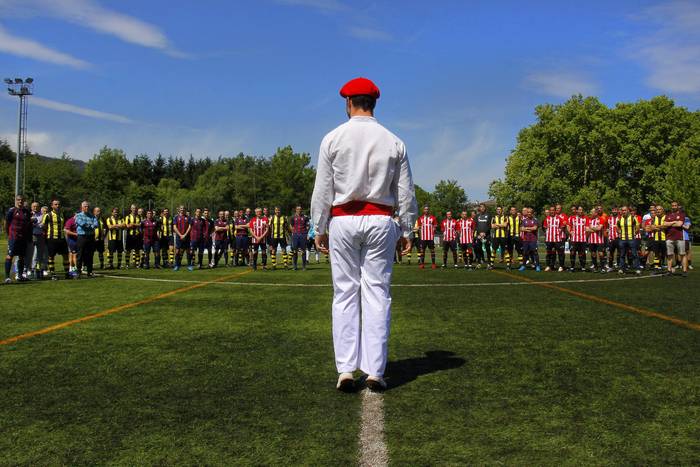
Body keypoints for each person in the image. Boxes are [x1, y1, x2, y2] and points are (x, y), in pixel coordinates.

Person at [311, 77, 417, 392]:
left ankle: (345, 370)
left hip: (343, 219)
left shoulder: (332, 138)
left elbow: (323, 188)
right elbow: (405, 191)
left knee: (344, 293)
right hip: (381, 219)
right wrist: (408, 226)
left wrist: (319, 226)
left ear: (348, 103)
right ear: (374, 103)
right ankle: (374, 371)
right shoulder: (394, 141)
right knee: (377, 294)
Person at [4, 194, 32, 283]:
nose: (20, 202)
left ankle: (20, 276)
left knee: (21, 257)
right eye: (19, 200)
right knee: (10, 256)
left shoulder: (26, 211)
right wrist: (9, 234)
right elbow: (6, 223)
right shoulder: (12, 211)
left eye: (22, 200)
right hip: (13, 237)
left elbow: (28, 224)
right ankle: (7, 277)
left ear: (24, 201)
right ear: (16, 200)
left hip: (23, 238)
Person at [44, 199, 70, 280]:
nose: (57, 206)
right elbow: (44, 227)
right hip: (52, 239)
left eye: (58, 204)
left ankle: (67, 273)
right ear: (52, 206)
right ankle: (53, 274)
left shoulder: (62, 214)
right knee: (51, 257)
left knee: (66, 256)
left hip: (61, 238)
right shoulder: (48, 215)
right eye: (55, 204)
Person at [74, 201, 98, 278]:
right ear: (82, 207)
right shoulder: (78, 215)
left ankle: (89, 272)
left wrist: (89, 225)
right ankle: (78, 272)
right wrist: (91, 225)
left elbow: (96, 224)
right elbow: (82, 224)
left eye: (87, 206)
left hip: (90, 237)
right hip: (82, 237)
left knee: (90, 255)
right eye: (85, 206)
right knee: (80, 254)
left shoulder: (92, 215)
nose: (86, 207)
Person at [663, 201, 687, 277]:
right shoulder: (668, 215)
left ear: (678, 206)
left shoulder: (682, 214)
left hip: (679, 237)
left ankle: (684, 271)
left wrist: (670, 223)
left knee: (682, 254)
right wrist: (674, 222)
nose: (673, 207)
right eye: (672, 205)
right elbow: (664, 224)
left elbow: (680, 224)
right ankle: (669, 270)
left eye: (675, 205)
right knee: (669, 255)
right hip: (669, 237)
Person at [616, 205, 641, 274]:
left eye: (625, 210)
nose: (623, 212)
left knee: (634, 254)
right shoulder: (620, 218)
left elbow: (637, 227)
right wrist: (619, 232)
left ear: (628, 211)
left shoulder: (633, 218)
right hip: (622, 239)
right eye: (622, 210)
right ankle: (621, 269)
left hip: (631, 239)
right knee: (622, 255)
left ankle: (637, 269)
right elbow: (617, 227)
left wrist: (634, 234)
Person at [543, 205, 565, 272]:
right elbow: (545, 227)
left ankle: (561, 266)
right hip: (549, 239)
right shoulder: (547, 219)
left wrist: (558, 233)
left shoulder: (559, 218)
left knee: (560, 253)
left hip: (557, 239)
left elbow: (562, 227)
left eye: (553, 210)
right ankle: (548, 266)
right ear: (549, 211)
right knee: (549, 253)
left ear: (555, 211)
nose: (552, 211)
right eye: (551, 210)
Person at [518, 207, 541, 272]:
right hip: (525, 239)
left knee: (535, 252)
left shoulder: (535, 220)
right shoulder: (524, 220)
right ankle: (523, 266)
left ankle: (537, 266)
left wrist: (526, 228)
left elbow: (535, 228)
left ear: (532, 213)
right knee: (525, 253)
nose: (529, 213)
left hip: (533, 239)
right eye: (528, 212)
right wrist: (529, 228)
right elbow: (521, 229)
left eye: (530, 212)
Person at [567, 206, 587, 272]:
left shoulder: (586, 218)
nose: (580, 211)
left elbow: (588, 228)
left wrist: (586, 236)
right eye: (579, 210)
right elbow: (568, 226)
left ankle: (583, 267)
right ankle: (572, 267)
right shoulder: (571, 218)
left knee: (582, 253)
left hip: (583, 239)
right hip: (574, 239)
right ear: (577, 210)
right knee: (572, 253)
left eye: (582, 210)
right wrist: (570, 232)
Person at [290, 206, 310, 270]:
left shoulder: (305, 217)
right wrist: (293, 231)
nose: (299, 210)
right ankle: (295, 266)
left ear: (302, 210)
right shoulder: (293, 217)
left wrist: (305, 232)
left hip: (303, 235)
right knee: (295, 251)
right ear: (296, 210)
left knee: (303, 251)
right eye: (298, 209)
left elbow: (308, 225)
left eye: (300, 209)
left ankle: (304, 266)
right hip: (295, 235)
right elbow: (291, 225)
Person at [31, 205, 48, 279]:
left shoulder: (43, 216)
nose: (45, 212)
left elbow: (42, 225)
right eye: (44, 211)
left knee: (43, 254)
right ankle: (32, 269)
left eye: (46, 211)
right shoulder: (30, 214)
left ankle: (43, 268)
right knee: (34, 253)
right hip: (33, 235)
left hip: (43, 237)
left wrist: (38, 224)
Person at [173, 206, 191, 271]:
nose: (182, 210)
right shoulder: (176, 217)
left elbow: (189, 227)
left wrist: (185, 235)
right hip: (179, 237)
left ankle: (189, 265)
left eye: (183, 209)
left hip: (187, 237)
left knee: (188, 251)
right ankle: (177, 265)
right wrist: (180, 235)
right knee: (177, 251)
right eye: (181, 209)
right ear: (179, 210)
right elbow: (174, 227)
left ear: (185, 210)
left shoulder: (188, 217)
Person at [586, 208, 605, 272]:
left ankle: (602, 268)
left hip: (599, 240)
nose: (590, 213)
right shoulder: (589, 220)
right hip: (591, 240)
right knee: (593, 254)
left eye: (592, 212)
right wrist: (594, 229)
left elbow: (599, 228)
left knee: (601, 254)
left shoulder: (601, 219)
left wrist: (591, 228)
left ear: (596, 213)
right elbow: (586, 229)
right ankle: (595, 267)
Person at [475, 203, 493, 269]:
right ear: (479, 208)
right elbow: (476, 226)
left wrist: (484, 233)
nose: (482, 208)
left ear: (485, 208)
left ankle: (489, 263)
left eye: (483, 207)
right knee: (478, 249)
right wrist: (479, 233)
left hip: (487, 235)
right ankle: (479, 263)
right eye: (481, 207)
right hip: (479, 235)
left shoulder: (489, 215)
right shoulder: (477, 216)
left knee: (488, 249)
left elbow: (489, 225)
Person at [124, 204, 142, 269]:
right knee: (128, 250)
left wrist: (133, 224)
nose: (134, 209)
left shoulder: (139, 217)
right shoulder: (128, 217)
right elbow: (127, 226)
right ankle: (127, 264)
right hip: (130, 235)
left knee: (137, 250)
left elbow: (140, 225)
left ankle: (137, 264)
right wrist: (135, 225)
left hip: (137, 235)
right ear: (131, 209)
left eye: (135, 208)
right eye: (133, 208)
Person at [64, 212, 79, 277]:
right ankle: (74, 268)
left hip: (78, 240)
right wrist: (75, 234)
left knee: (74, 254)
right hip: (71, 240)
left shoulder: (80, 221)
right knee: (73, 254)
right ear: (74, 215)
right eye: (77, 215)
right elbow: (66, 230)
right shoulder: (70, 221)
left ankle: (72, 268)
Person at [606, 207, 620, 271]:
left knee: (619, 253)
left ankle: (619, 265)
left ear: (617, 211)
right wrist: (608, 236)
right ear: (612, 210)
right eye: (613, 210)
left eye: (615, 210)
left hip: (618, 238)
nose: (614, 211)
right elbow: (607, 228)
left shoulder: (620, 218)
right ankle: (610, 266)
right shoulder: (609, 219)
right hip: (611, 238)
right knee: (611, 253)